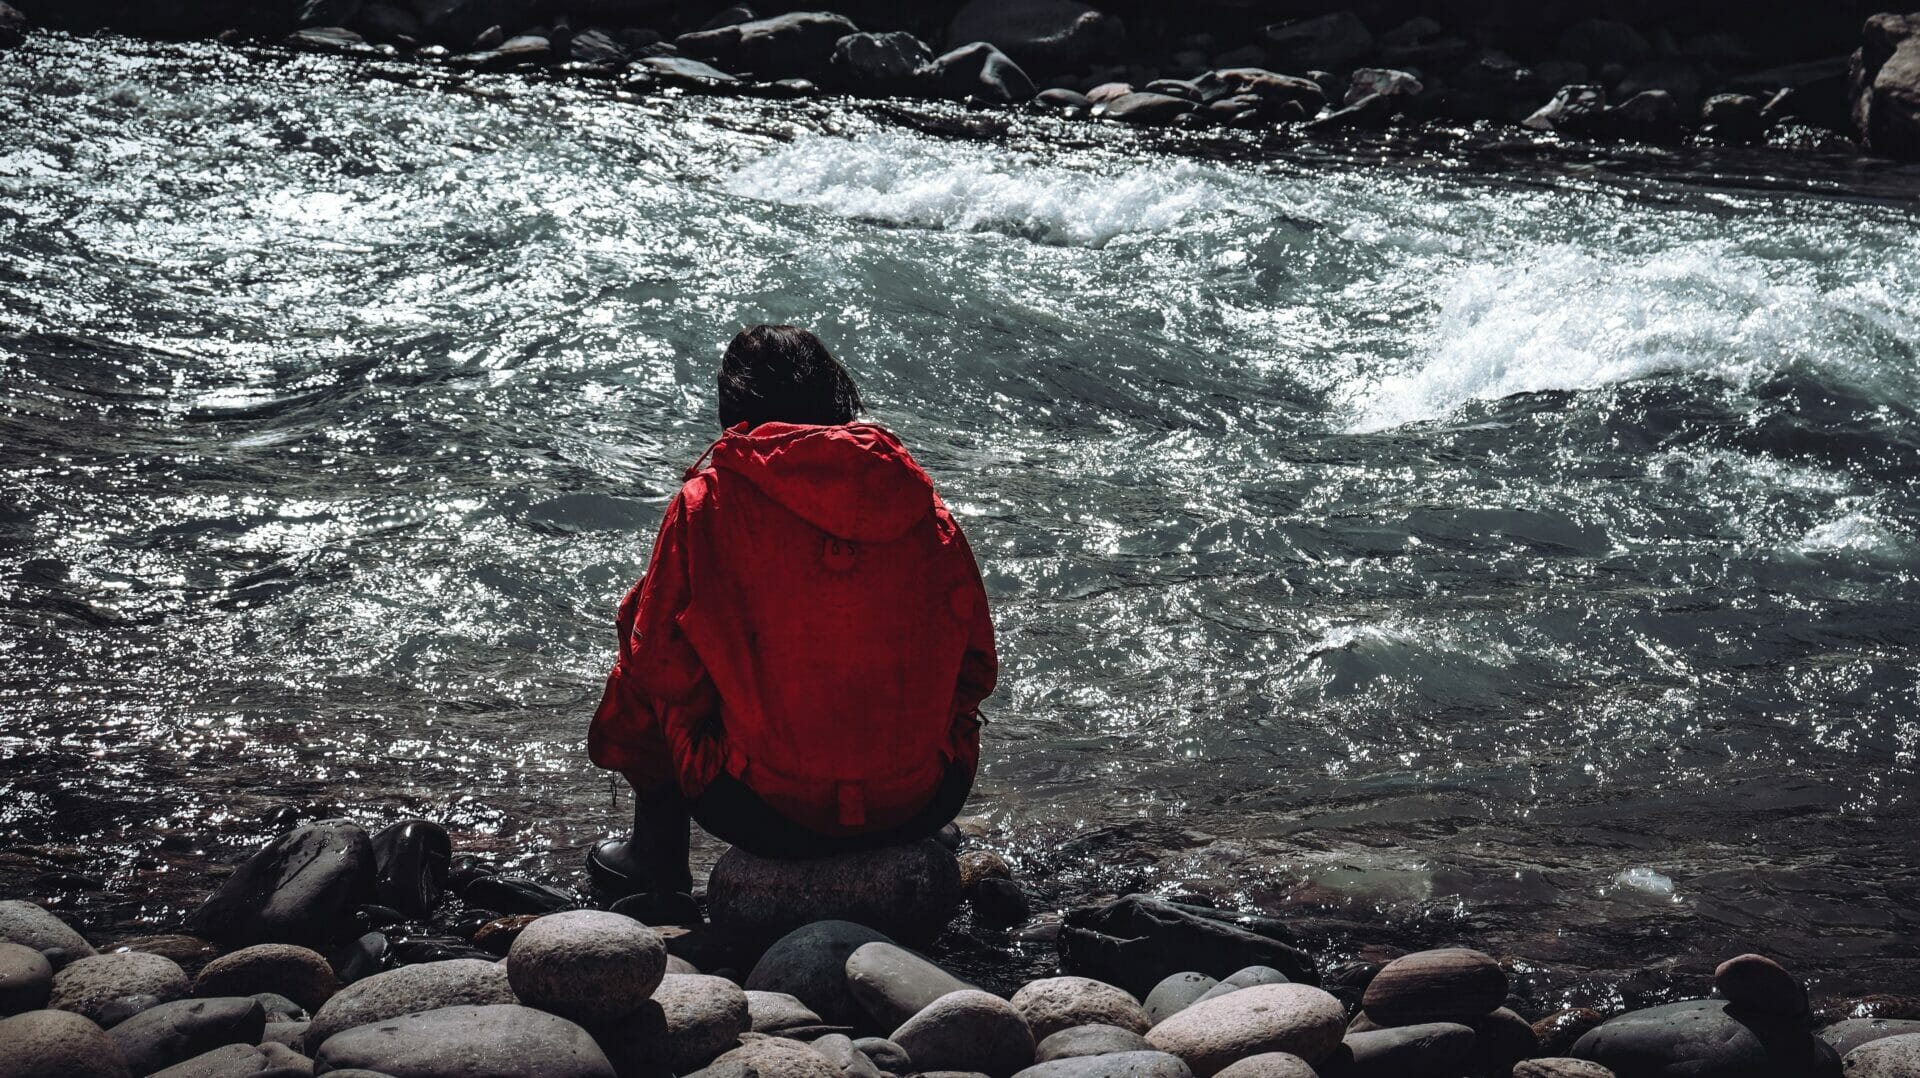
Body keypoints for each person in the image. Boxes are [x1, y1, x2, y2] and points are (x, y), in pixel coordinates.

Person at [587, 324, 997, 914]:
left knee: (645, 628)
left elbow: (659, 670)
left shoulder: (706, 503)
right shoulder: (917, 501)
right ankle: (896, 818)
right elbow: (977, 666)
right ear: (835, 402)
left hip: (760, 812)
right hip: (927, 799)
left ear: (735, 409)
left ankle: (657, 855)